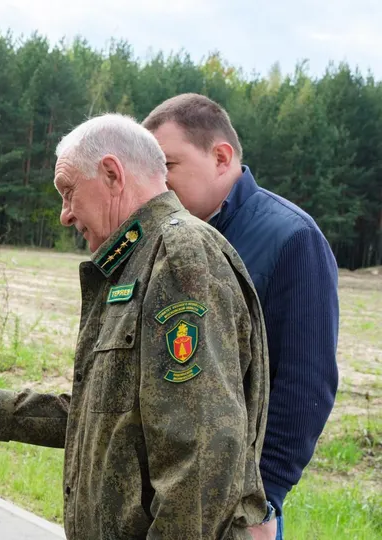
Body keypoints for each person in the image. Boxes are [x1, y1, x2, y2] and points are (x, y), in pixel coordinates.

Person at [0, 113, 273, 539]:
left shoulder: (179, 256)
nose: (65, 215)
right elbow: (106, 418)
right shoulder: (133, 262)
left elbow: (200, 459)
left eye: (68, 192)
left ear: (112, 174)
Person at [143, 93, 339, 540]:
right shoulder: (169, 238)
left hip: (235, 510)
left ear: (221, 157)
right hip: (169, 500)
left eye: (168, 166)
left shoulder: (292, 238)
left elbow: (306, 385)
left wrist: (263, 501)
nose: (158, 183)